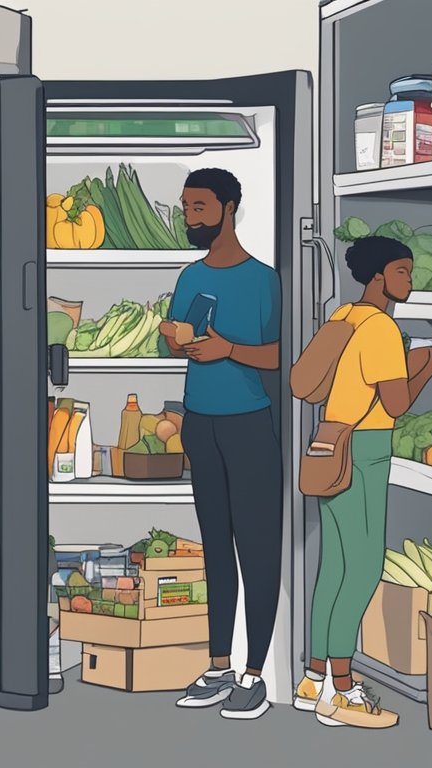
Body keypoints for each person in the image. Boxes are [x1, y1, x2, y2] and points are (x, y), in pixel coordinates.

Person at [293, 235, 432, 729]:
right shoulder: (378, 327)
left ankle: (312, 679)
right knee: (363, 569)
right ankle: (340, 689)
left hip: (328, 444)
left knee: (333, 565)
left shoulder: (343, 317)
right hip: (366, 450)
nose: (409, 280)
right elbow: (396, 404)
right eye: (402, 271)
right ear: (378, 276)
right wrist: (426, 367)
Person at [158, 168, 282, 720]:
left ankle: (254, 674)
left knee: (256, 549)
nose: (191, 216)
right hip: (200, 423)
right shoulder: (188, 277)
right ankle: (217, 665)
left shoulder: (265, 279)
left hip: (250, 424)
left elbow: (282, 355)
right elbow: (175, 346)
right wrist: (173, 338)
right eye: (186, 207)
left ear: (230, 208)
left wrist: (230, 349)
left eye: (200, 207)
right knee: (214, 547)